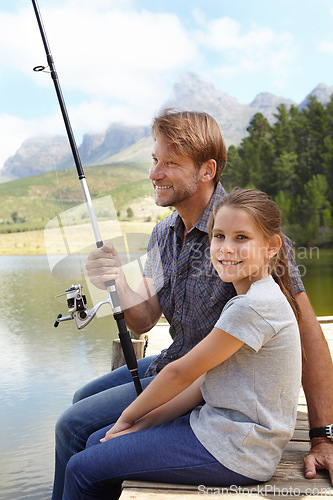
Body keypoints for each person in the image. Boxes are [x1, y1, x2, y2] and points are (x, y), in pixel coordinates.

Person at [52, 110, 333, 499]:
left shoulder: (248, 232)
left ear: (207, 170)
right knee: (82, 401)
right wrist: (115, 282)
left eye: (170, 163)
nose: (154, 173)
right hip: (174, 362)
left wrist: (323, 436)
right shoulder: (163, 234)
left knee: (72, 426)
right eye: (154, 160)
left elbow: (307, 333)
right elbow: (145, 318)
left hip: (205, 385)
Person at [61, 187, 302, 499]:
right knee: (97, 443)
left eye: (241, 238)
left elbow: (180, 373)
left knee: (81, 470)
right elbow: (202, 383)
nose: (227, 248)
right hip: (219, 431)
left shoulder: (251, 307)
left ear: (271, 247)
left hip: (238, 451)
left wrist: (125, 418)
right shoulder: (253, 298)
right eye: (219, 236)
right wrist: (141, 424)